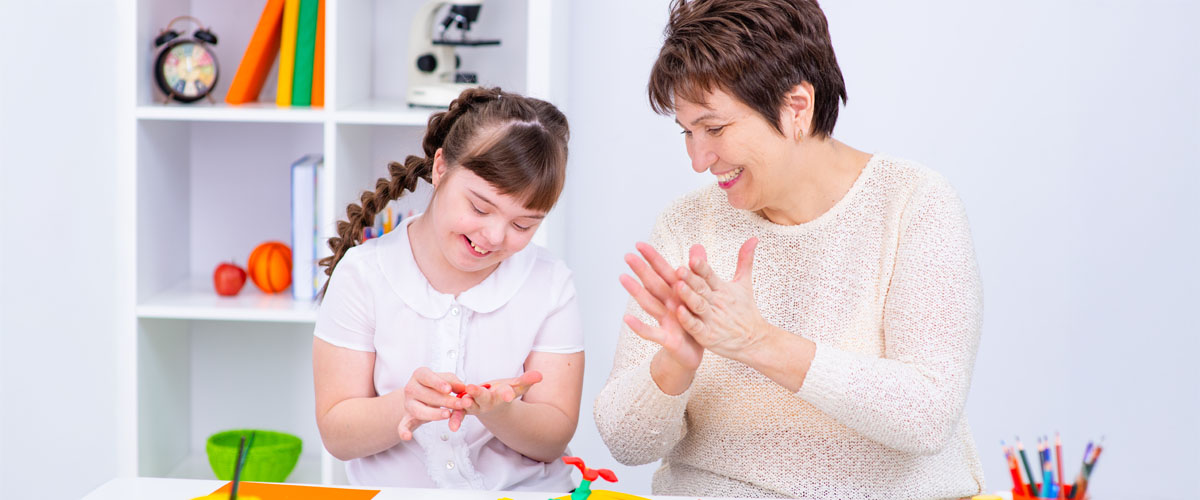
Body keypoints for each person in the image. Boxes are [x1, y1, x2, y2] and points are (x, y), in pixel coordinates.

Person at [593, 1, 986, 498]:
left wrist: (758, 342)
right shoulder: (688, 222)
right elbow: (626, 444)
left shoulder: (913, 204)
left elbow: (926, 416)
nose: (698, 160)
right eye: (687, 133)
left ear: (796, 106)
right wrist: (673, 365)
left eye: (714, 129)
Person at [312, 87, 584, 491]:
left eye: (523, 225)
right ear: (440, 168)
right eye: (479, 207)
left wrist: (498, 412)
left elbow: (554, 437)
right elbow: (337, 433)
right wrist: (405, 405)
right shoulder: (365, 274)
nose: (493, 236)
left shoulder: (549, 283)